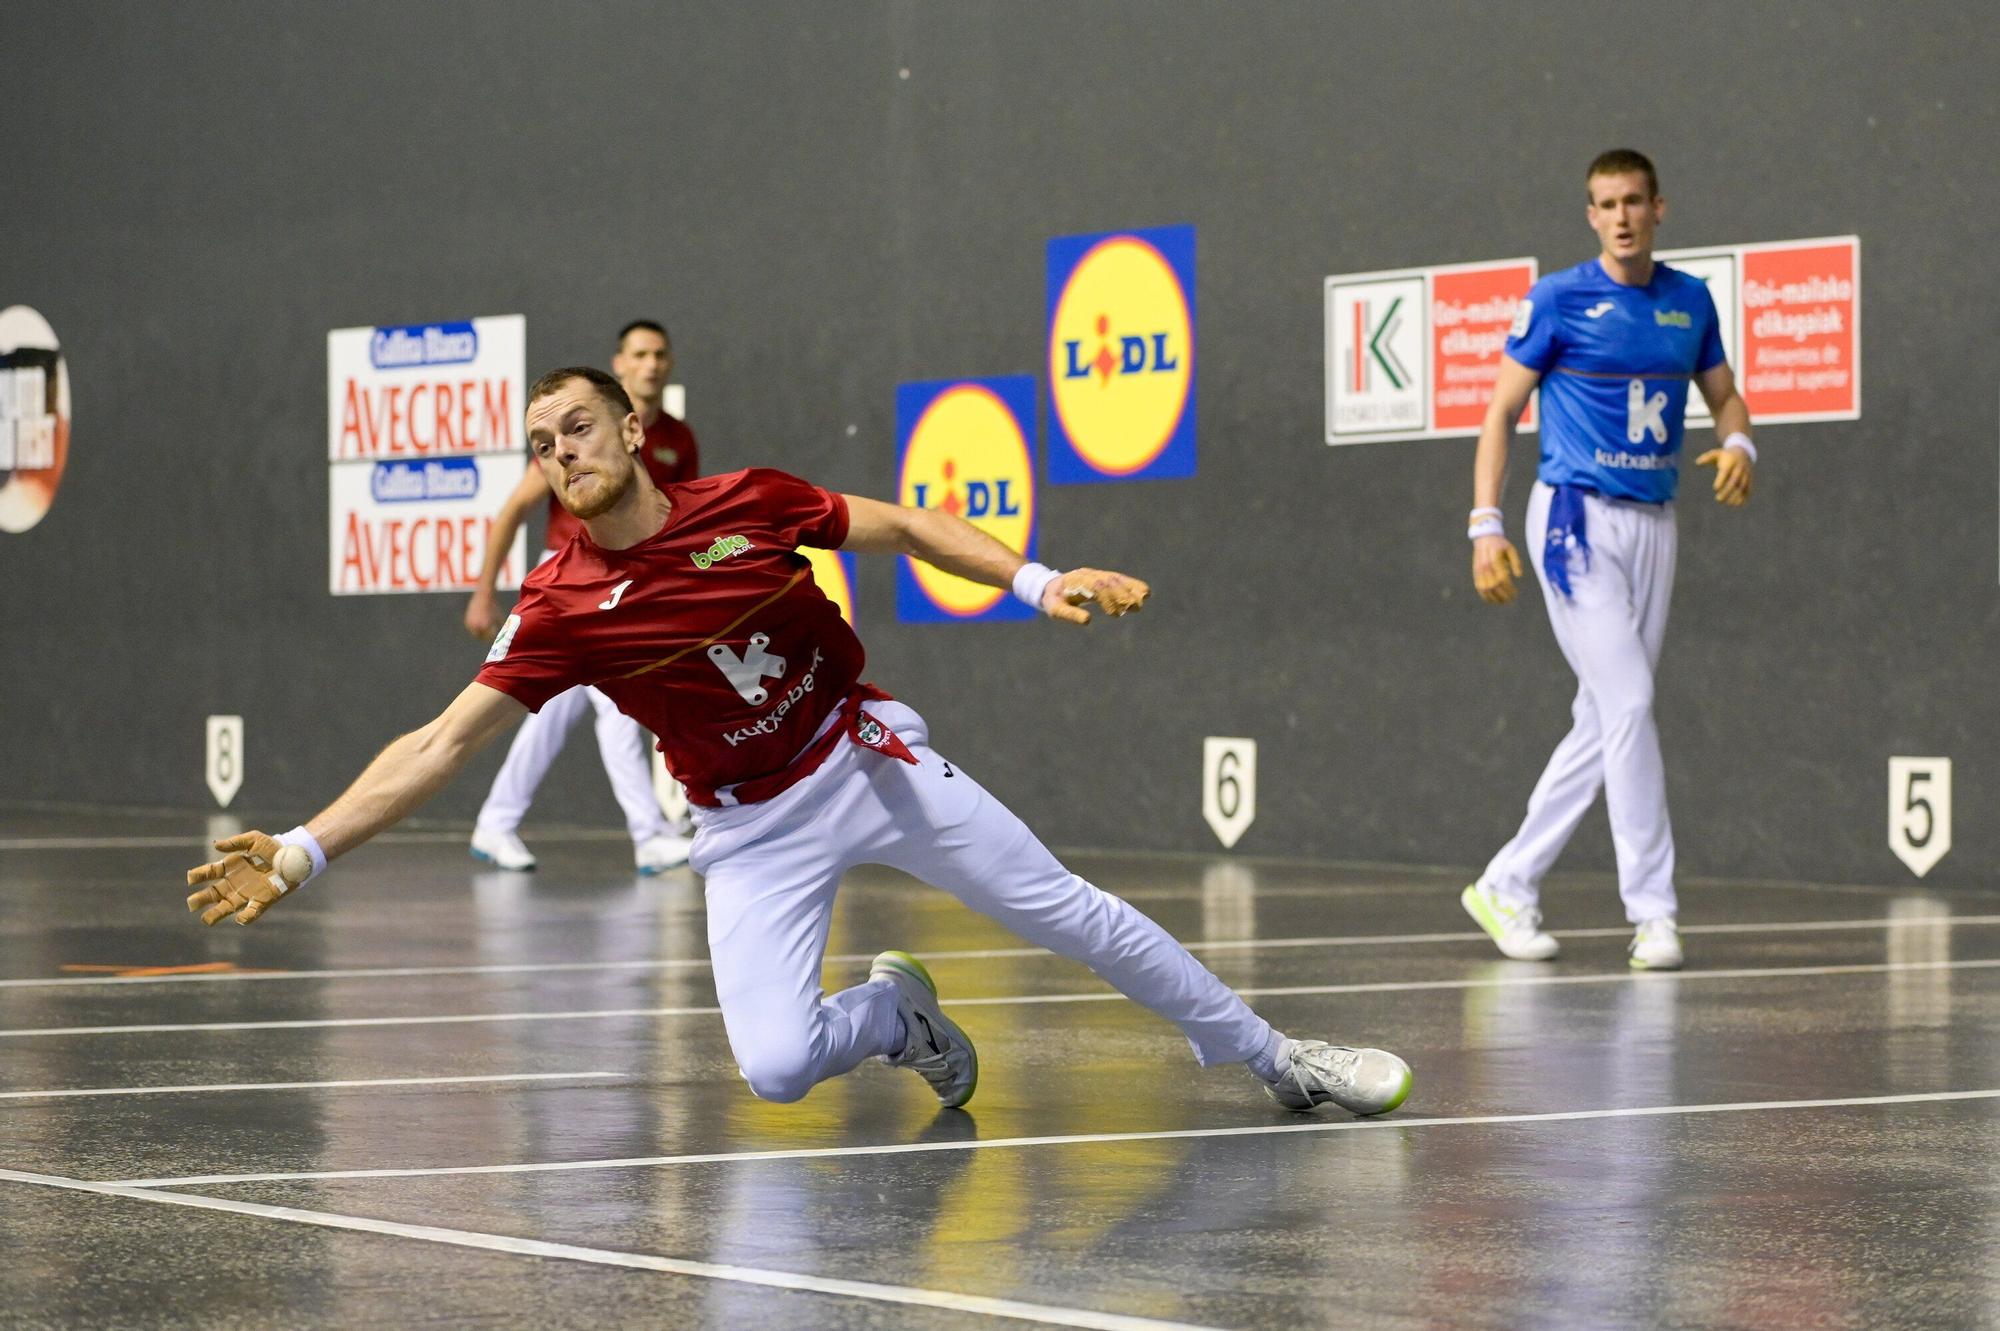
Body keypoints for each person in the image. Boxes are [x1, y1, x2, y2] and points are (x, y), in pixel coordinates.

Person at [187, 365, 1412, 1119]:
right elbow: (440, 742)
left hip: (859, 754)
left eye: (576, 427)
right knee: (774, 1067)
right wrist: (303, 847)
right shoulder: (558, 602)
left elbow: (906, 525)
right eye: (541, 445)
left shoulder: (750, 504)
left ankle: (1277, 1057)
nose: (561, 453)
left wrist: (1040, 581)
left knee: (1067, 911)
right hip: (743, 825)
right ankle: (896, 1016)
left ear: (628, 423)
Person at [1462, 149, 1757, 972]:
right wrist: (1486, 525)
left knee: (1607, 716)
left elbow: (1724, 392)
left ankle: (1507, 881)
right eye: (1605, 203)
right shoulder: (1557, 300)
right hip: (1573, 520)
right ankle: (1654, 911)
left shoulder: (1689, 301)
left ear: (1659, 207)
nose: (1621, 215)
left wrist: (1738, 440)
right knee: (1628, 700)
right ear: (1590, 215)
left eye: (1634, 200)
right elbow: (1500, 412)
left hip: (1655, 521)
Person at [462, 320, 696, 874]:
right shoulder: (578, 430)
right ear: (619, 364)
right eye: (639, 354)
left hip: (630, 581)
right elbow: (514, 510)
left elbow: (675, 520)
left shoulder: (679, 440)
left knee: (549, 714)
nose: (651, 364)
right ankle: (650, 835)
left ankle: (495, 823)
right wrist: (481, 592)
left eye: (660, 354)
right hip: (570, 579)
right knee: (618, 703)